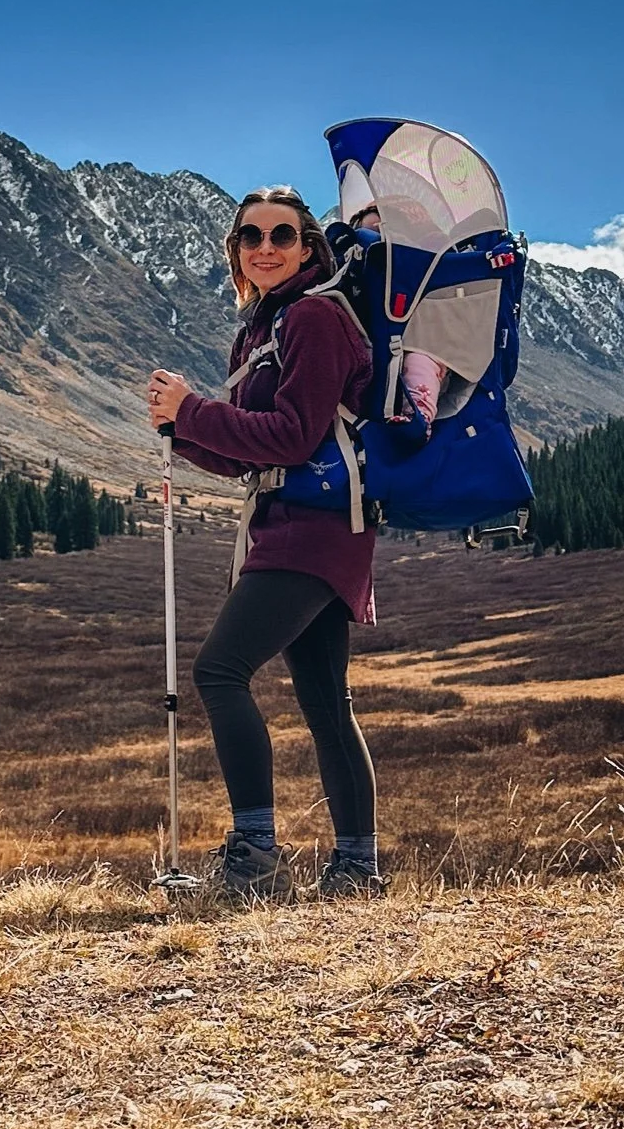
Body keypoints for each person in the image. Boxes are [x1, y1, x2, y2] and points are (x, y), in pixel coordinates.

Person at [146, 187, 383, 902]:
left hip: (314, 529)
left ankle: (255, 858)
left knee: (221, 672)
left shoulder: (314, 317)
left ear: (310, 246)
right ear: (237, 251)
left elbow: (294, 436)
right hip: (300, 523)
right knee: (323, 699)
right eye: (251, 237)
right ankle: (356, 869)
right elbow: (249, 453)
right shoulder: (262, 328)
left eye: (283, 235)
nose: (266, 247)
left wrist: (195, 410)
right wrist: (180, 428)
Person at [345, 204, 445, 442]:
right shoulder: (351, 276)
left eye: (387, 229)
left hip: (417, 344)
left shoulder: (423, 268)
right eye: (371, 231)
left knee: (420, 362)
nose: (378, 236)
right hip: (373, 347)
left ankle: (418, 414)